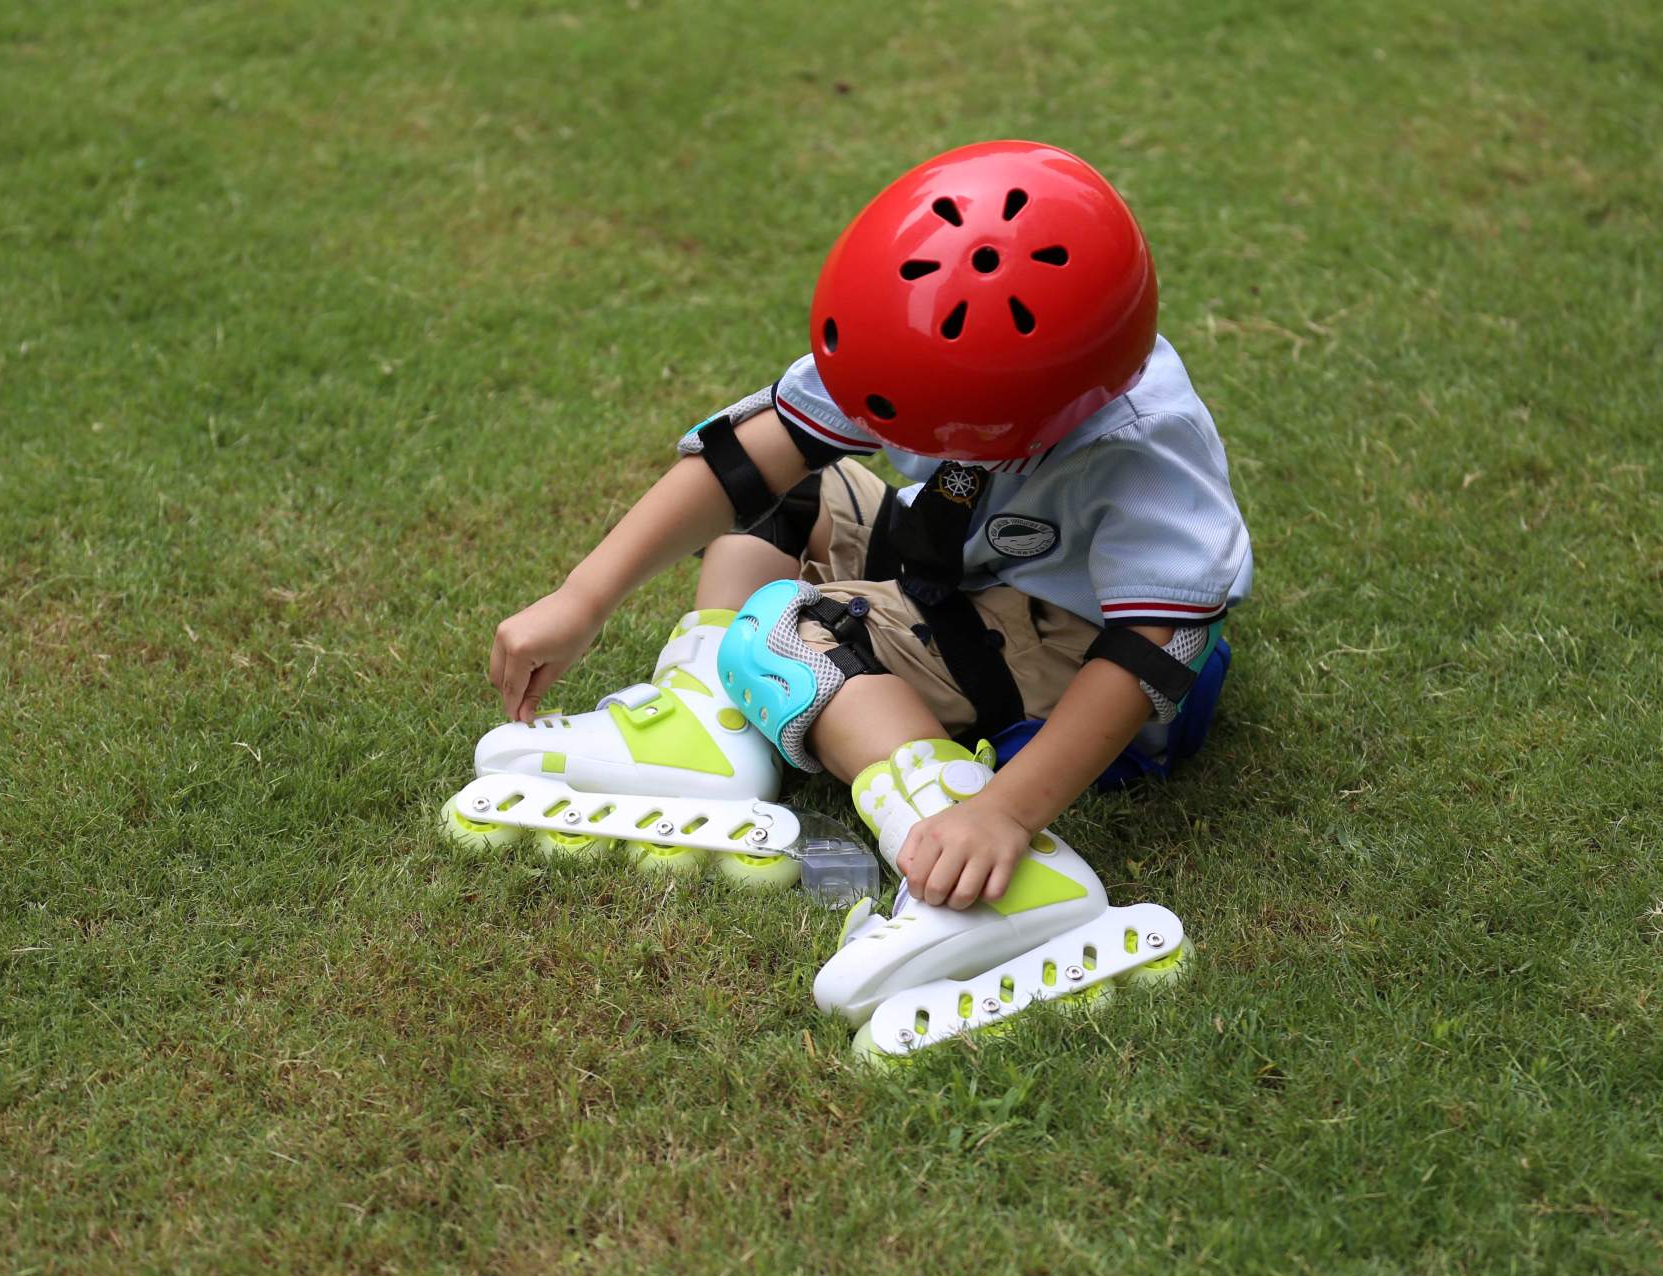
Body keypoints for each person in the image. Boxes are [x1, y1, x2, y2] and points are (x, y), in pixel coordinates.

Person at [467, 140, 1252, 1052]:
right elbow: (750, 458)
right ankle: (711, 732)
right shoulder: (918, 333)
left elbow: (1153, 649)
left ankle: (1005, 874)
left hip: (1069, 639)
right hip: (956, 550)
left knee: (786, 635)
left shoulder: (1140, 445)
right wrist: (583, 596)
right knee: (785, 498)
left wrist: (1006, 810)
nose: (880, 431)